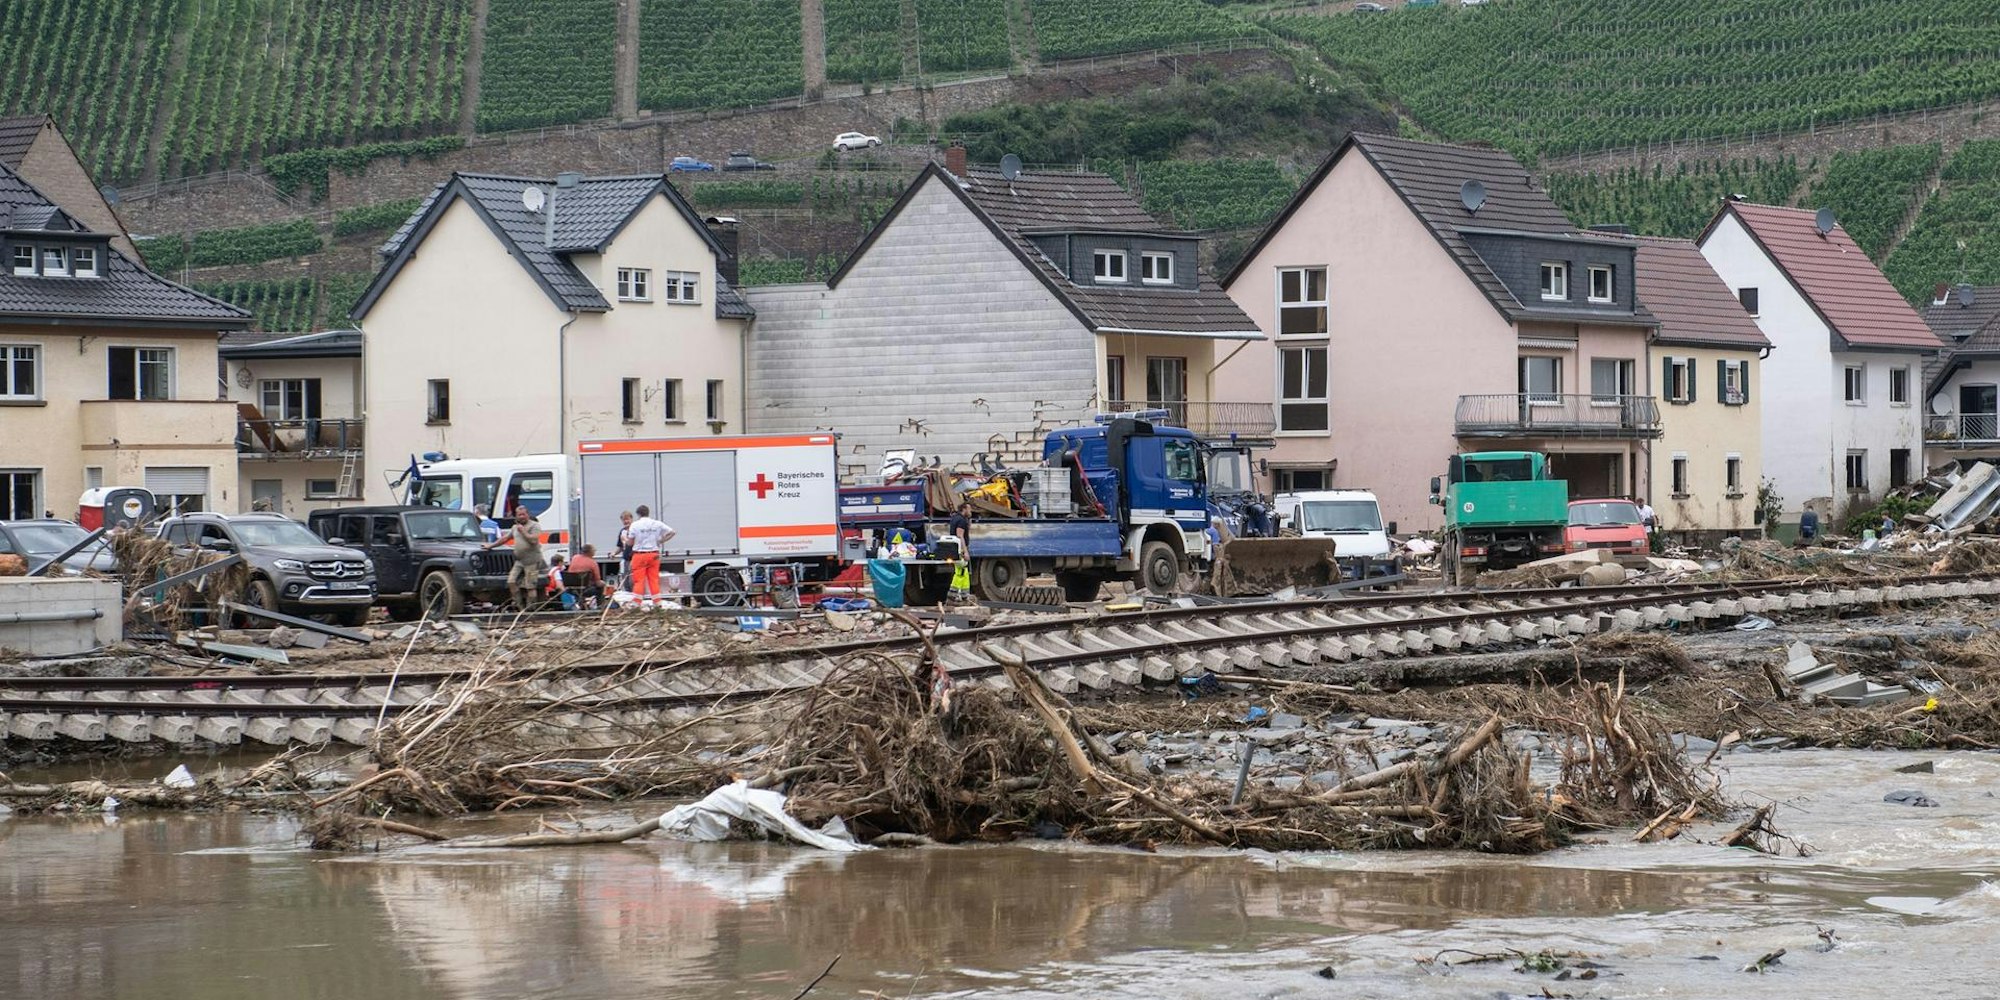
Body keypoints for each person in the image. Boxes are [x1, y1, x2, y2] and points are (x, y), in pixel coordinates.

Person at [483, 505, 544, 611]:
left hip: (532, 560)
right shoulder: (515, 527)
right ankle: (519, 606)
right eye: (519, 515)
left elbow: (533, 540)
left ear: (527, 515)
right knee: (511, 581)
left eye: (524, 514)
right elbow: (505, 538)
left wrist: (523, 532)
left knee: (530, 586)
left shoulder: (535, 526)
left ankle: (531, 609)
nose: (522, 517)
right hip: (519, 560)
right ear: (516, 516)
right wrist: (490, 545)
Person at [626, 504, 675, 609]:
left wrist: (625, 540)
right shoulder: (657, 523)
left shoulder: (635, 525)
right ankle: (657, 602)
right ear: (648, 513)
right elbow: (672, 532)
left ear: (638, 514)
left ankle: (636, 603)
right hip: (654, 554)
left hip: (640, 555)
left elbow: (630, 543)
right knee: (653, 579)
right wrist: (660, 541)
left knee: (639, 580)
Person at [616, 510, 636, 589]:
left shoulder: (635, 530)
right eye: (624, 520)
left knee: (634, 580)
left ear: (631, 519)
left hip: (635, 558)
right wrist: (614, 553)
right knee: (626, 580)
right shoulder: (622, 531)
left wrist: (625, 539)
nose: (626, 521)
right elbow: (620, 547)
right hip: (626, 559)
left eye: (627, 519)